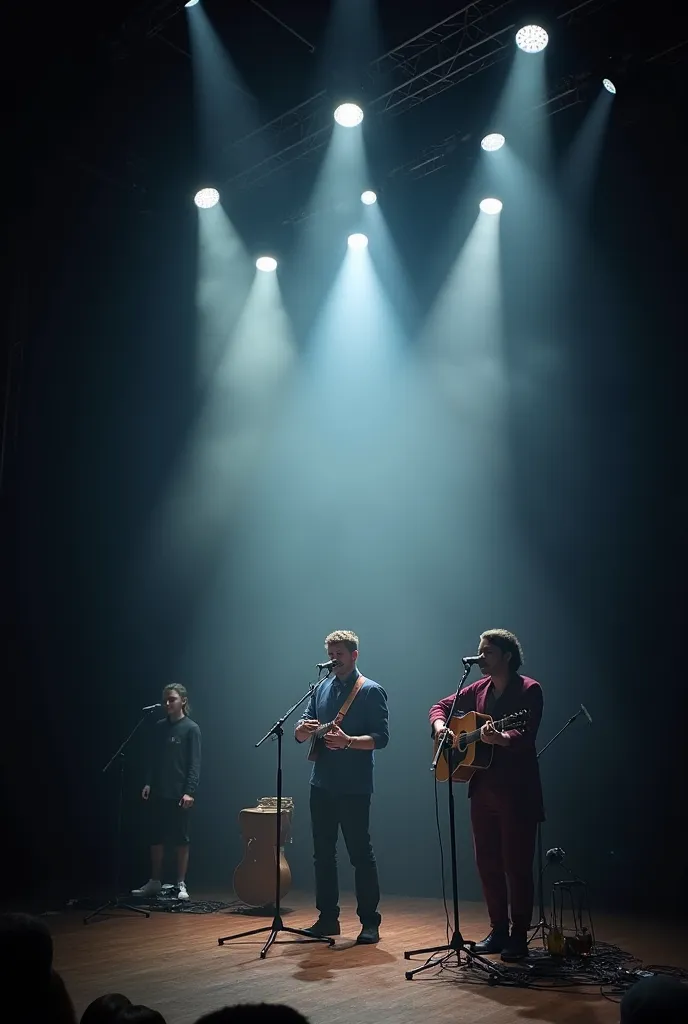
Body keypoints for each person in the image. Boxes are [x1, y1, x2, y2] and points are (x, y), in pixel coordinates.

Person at [429, 628, 543, 962]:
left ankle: (519, 934)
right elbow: (440, 706)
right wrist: (442, 729)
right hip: (482, 790)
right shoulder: (479, 688)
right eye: (479, 652)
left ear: (507, 656)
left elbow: (526, 734)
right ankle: (498, 930)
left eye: (487, 652)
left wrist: (502, 738)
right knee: (487, 863)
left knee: (516, 865)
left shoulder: (529, 689)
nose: (480, 658)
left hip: (516, 791)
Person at [294, 630, 389, 944]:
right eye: (331, 654)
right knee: (323, 854)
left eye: (340, 654)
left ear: (354, 655)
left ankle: (370, 923)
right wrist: (301, 730)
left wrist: (348, 742)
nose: (333, 660)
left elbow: (381, 739)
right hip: (321, 783)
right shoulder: (320, 687)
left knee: (360, 855)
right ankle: (327, 919)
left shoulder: (371, 691)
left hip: (354, 786)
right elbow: (304, 726)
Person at [132, 684, 201, 901]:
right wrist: (148, 783)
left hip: (180, 793)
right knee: (156, 837)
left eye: (171, 699)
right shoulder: (159, 727)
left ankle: (181, 883)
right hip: (159, 791)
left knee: (181, 839)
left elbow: (194, 764)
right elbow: (153, 759)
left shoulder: (191, 728)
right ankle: (154, 881)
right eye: (165, 700)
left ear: (183, 701)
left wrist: (189, 791)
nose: (167, 704)